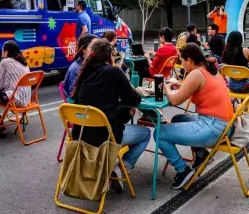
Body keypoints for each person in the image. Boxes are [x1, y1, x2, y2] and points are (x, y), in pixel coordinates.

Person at [71, 39, 150, 192]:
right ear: (110, 57)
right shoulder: (113, 71)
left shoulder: (83, 72)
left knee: (121, 116)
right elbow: (133, 99)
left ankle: (112, 165)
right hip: (106, 138)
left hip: (81, 136)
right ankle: (121, 167)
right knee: (145, 133)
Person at [157, 43, 234, 190]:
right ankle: (202, 155)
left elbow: (174, 100)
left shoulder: (196, 74)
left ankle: (183, 170)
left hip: (214, 128)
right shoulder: (208, 68)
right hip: (225, 125)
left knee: (159, 133)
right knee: (178, 118)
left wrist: (165, 87)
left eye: (182, 61)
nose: (182, 64)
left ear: (190, 60)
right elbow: (200, 86)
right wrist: (180, 85)